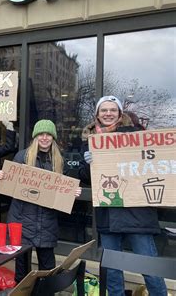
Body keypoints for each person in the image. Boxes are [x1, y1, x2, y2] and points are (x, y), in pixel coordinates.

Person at [79, 95, 167, 296]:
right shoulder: (91, 140)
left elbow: (153, 166)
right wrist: (88, 164)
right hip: (109, 214)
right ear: (97, 114)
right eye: (104, 110)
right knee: (112, 271)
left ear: (119, 113)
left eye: (112, 110)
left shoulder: (136, 135)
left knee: (149, 268)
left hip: (138, 215)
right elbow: (86, 178)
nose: (108, 113)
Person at [0, 119, 82, 283]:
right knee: (21, 271)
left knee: (48, 270)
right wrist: (2, 177)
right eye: (41, 134)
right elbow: (10, 183)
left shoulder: (59, 160)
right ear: (35, 137)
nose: (44, 138)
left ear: (53, 138)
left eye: (48, 134)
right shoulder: (22, 156)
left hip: (47, 222)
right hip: (21, 220)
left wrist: (73, 192)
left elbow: (64, 188)